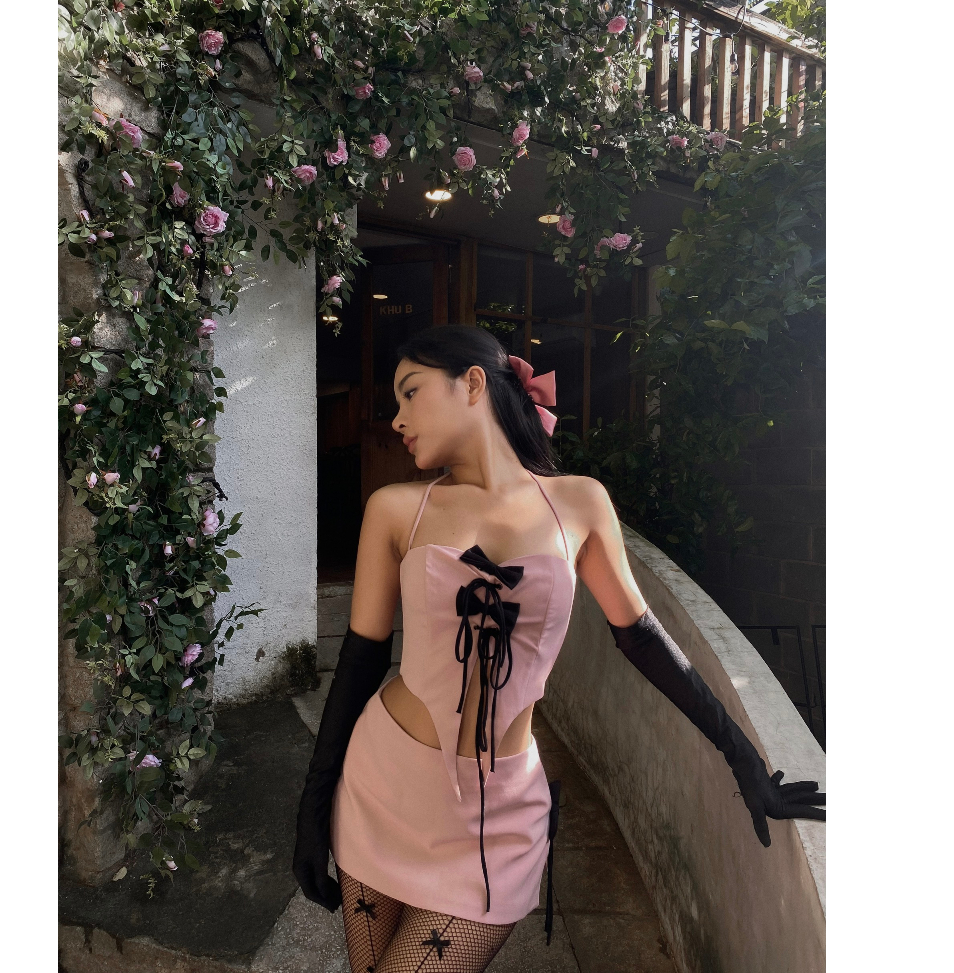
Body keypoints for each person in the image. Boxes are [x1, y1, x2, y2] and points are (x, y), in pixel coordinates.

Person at [293, 325, 825, 972]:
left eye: (410, 392)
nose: (397, 419)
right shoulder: (395, 508)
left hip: (498, 821)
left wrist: (742, 757)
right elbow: (360, 661)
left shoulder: (580, 503)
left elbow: (644, 641)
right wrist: (313, 805)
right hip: (384, 786)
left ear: (473, 384)